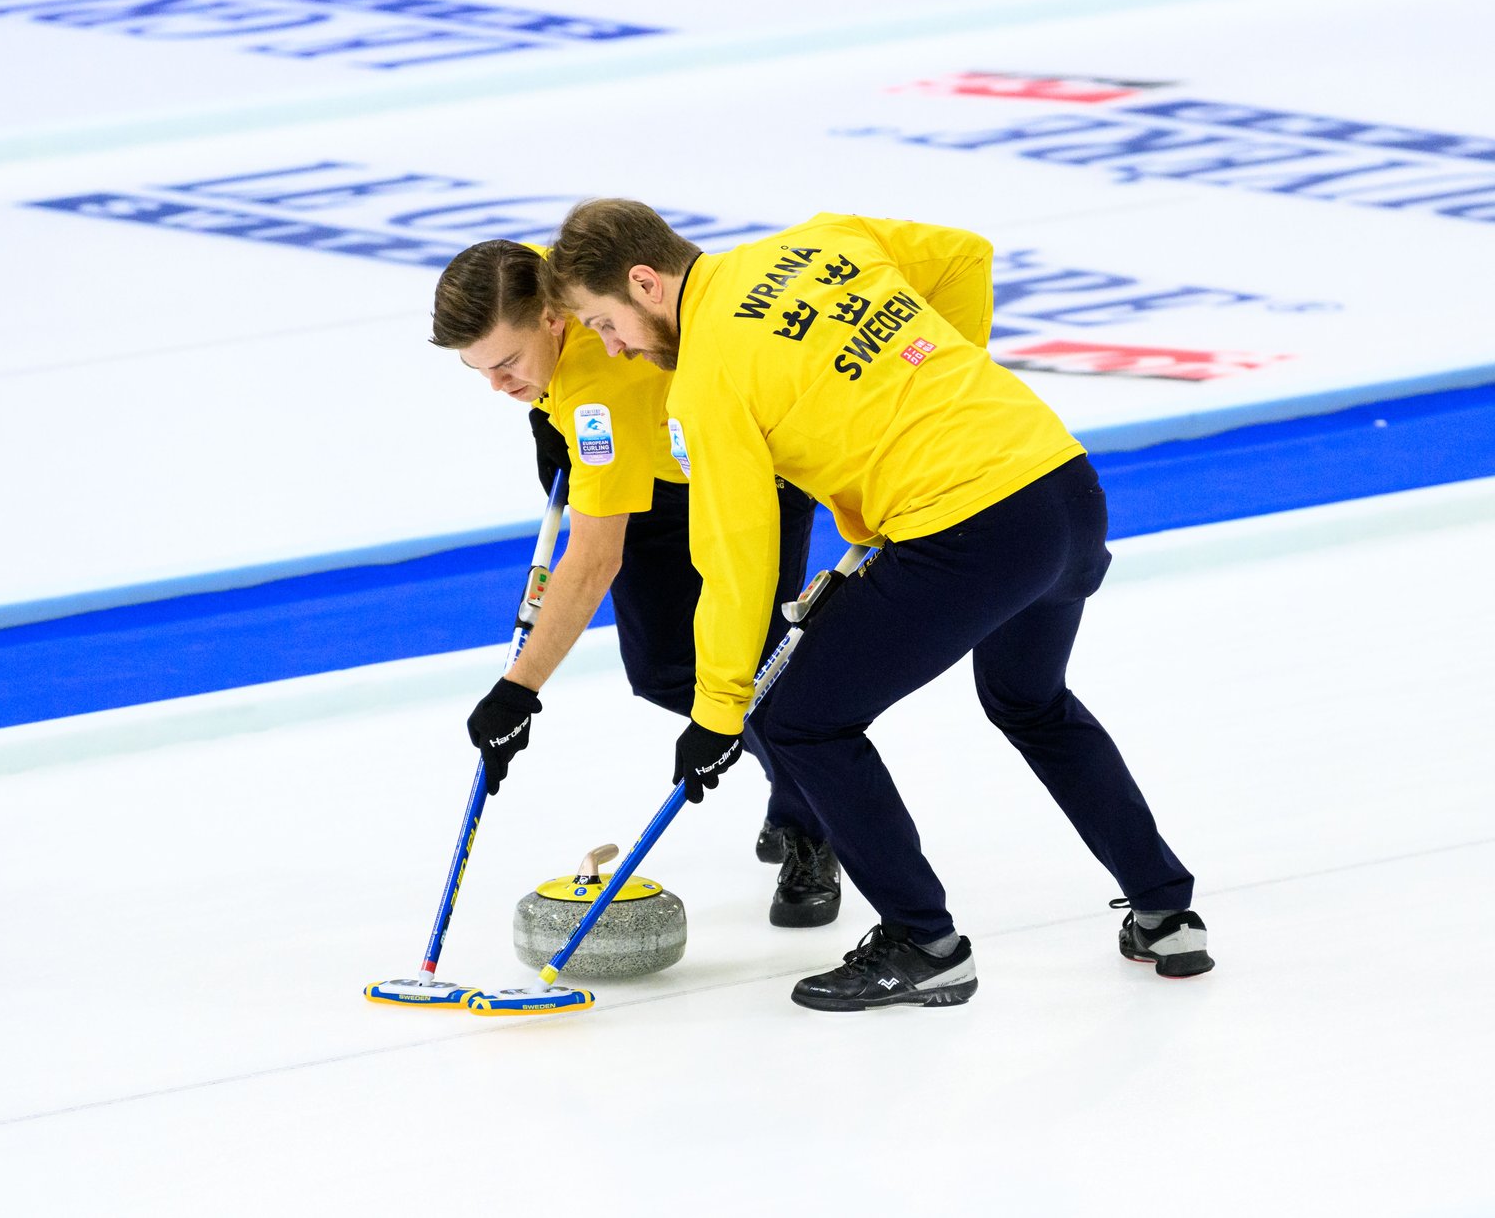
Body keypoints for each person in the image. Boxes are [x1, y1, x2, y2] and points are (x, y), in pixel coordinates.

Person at [545, 200, 1211, 1011]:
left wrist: (718, 715)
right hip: (1062, 487)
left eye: (605, 323)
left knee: (798, 721)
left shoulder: (707, 378)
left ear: (646, 282)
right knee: (1030, 699)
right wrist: (930, 399)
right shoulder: (819, 241)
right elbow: (965, 256)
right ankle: (1165, 911)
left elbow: (736, 559)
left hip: (970, 533)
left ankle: (923, 942)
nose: (613, 346)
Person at [430, 239, 839, 926]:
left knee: (755, 668)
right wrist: (542, 407)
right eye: (479, 369)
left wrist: (518, 690)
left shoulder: (600, 394)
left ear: (553, 321)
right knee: (664, 671)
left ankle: (813, 820)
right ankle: (791, 770)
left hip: (749, 464)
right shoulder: (527, 272)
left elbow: (594, 557)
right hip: (656, 464)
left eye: (507, 365)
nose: (495, 385)